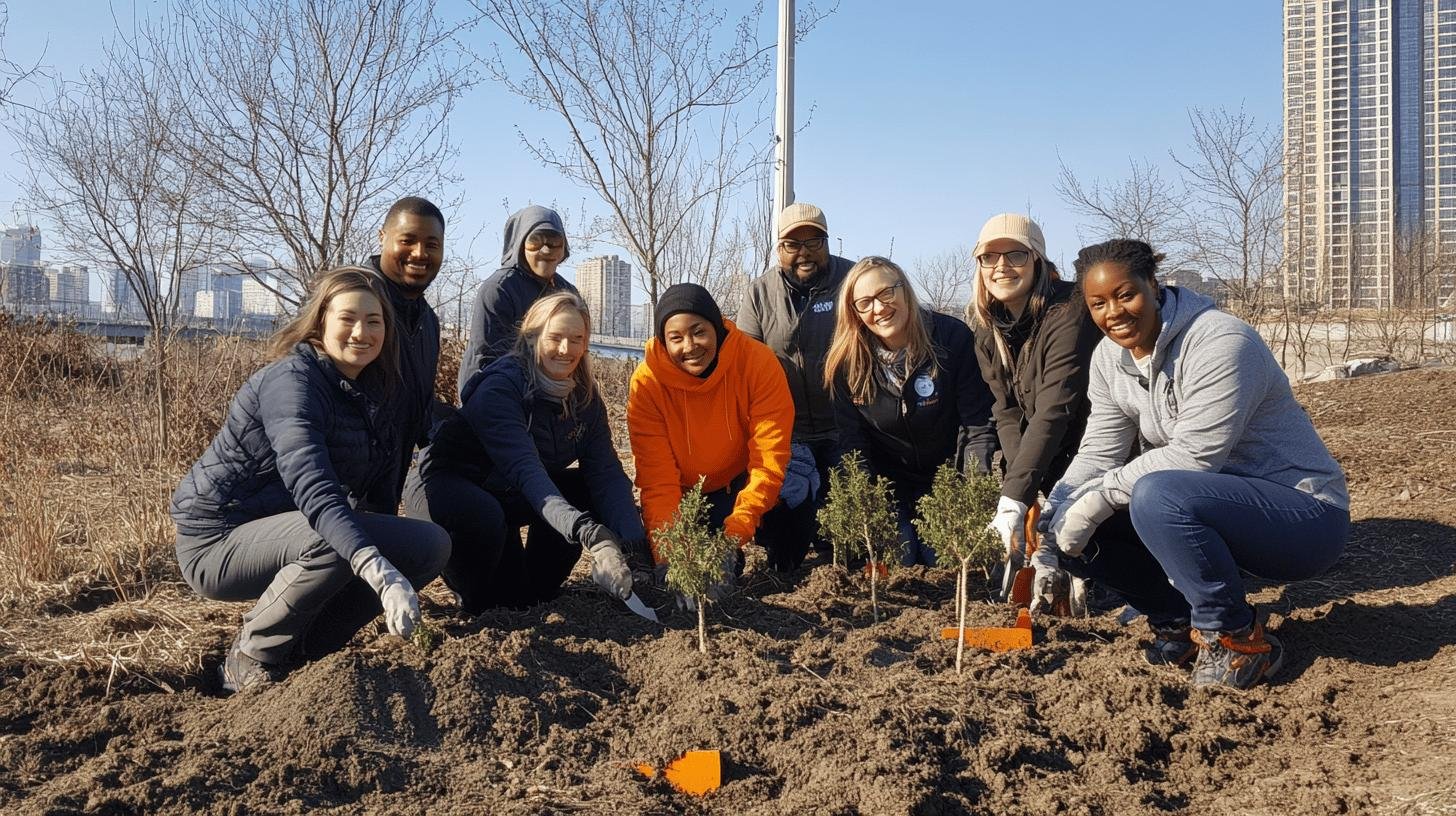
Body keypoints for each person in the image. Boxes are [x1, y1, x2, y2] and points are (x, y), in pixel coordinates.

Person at [1042, 239, 1349, 690]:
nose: (1114, 313)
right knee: (1073, 527)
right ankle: (1176, 622)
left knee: (1156, 493)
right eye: (1099, 304)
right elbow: (1100, 449)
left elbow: (1195, 456)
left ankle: (1236, 639)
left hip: (1302, 518)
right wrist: (1058, 507)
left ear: (1153, 284)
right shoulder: (1110, 358)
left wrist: (1099, 497)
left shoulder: (1221, 340)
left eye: (1126, 295)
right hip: (1213, 509)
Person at [171, 267, 451, 693]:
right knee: (333, 537)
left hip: (288, 529)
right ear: (320, 321)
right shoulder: (291, 382)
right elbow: (314, 486)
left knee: (429, 545)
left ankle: (309, 652)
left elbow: (374, 485)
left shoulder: (371, 387)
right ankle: (250, 654)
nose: (361, 332)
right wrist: (377, 570)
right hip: (218, 540)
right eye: (348, 318)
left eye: (374, 321)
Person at [405, 292, 641, 612]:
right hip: (450, 487)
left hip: (509, 492)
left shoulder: (584, 398)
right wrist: (593, 536)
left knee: (582, 491)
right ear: (532, 337)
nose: (565, 349)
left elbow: (606, 472)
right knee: (498, 596)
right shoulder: (502, 387)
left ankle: (537, 588)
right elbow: (526, 471)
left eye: (577, 339)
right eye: (555, 337)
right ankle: (473, 595)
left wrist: (635, 547)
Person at [823, 256, 997, 567]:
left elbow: (977, 426)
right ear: (854, 312)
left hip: (947, 482)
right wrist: (867, 504)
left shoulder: (951, 339)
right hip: (889, 487)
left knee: (944, 561)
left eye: (886, 293)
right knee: (899, 560)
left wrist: (973, 494)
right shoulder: (846, 363)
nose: (879, 308)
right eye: (865, 303)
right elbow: (852, 442)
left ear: (905, 290)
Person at [965, 213, 1102, 603]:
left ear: (1038, 260)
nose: (1001, 266)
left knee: (1086, 550)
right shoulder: (988, 329)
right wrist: (1020, 494)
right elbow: (1006, 412)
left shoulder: (1068, 313)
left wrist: (1018, 494)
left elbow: (1055, 408)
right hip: (1047, 452)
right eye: (989, 257)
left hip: (1092, 449)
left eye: (1016, 255)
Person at [627, 283, 794, 589]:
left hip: (737, 485)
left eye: (699, 331)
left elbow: (768, 461)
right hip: (682, 494)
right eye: (675, 338)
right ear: (663, 342)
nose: (689, 346)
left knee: (792, 522)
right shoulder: (647, 384)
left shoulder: (757, 363)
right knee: (681, 558)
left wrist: (733, 537)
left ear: (716, 327)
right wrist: (668, 558)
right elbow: (657, 479)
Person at [738, 202, 856, 569]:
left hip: (845, 424)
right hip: (788, 430)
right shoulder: (760, 293)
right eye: (793, 244)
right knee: (788, 516)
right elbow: (745, 361)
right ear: (779, 250)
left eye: (813, 241)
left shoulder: (852, 280)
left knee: (845, 530)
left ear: (827, 242)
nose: (803, 252)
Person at [366, 196, 445, 508]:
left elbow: (416, 412)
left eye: (431, 244)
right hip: (331, 501)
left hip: (384, 494)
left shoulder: (428, 322)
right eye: (407, 240)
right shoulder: (356, 305)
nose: (420, 253)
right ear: (383, 237)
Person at [456, 205, 579, 398]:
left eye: (554, 241)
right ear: (520, 243)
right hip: (494, 395)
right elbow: (487, 359)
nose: (546, 250)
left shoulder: (567, 292)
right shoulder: (499, 289)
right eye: (535, 241)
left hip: (550, 400)